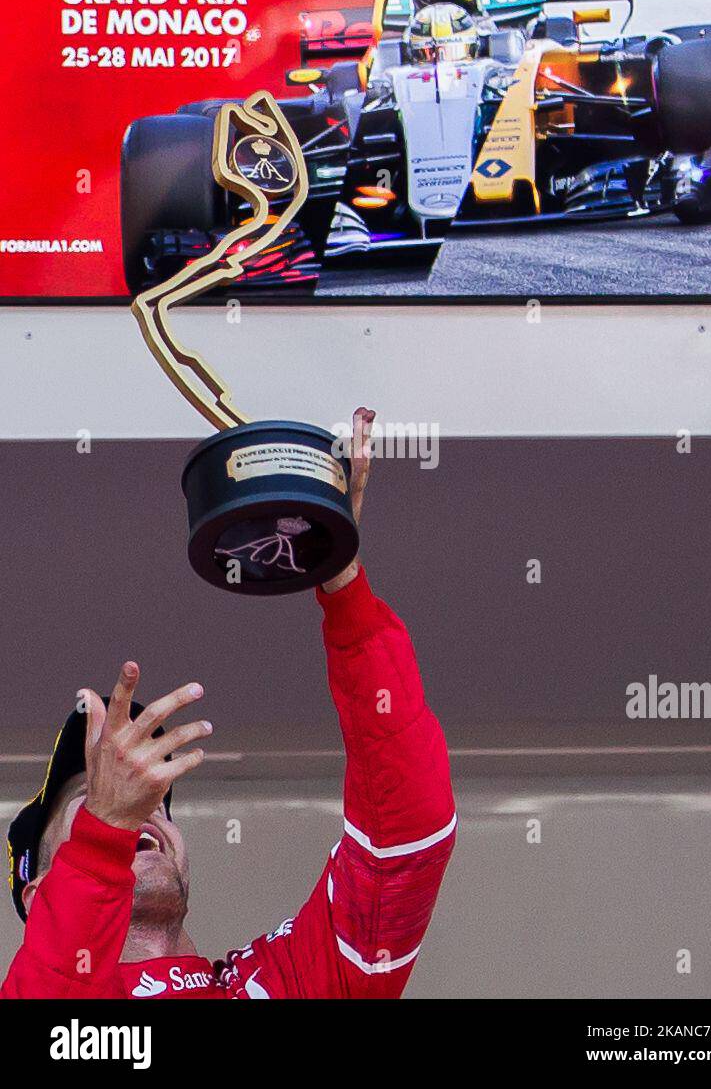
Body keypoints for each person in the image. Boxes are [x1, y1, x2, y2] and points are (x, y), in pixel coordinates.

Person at [2, 408, 456, 999]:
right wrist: (105, 832)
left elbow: (405, 839)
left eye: (152, 803)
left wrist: (342, 582)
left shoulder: (280, 985)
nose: (140, 815)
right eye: (102, 799)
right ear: (39, 897)